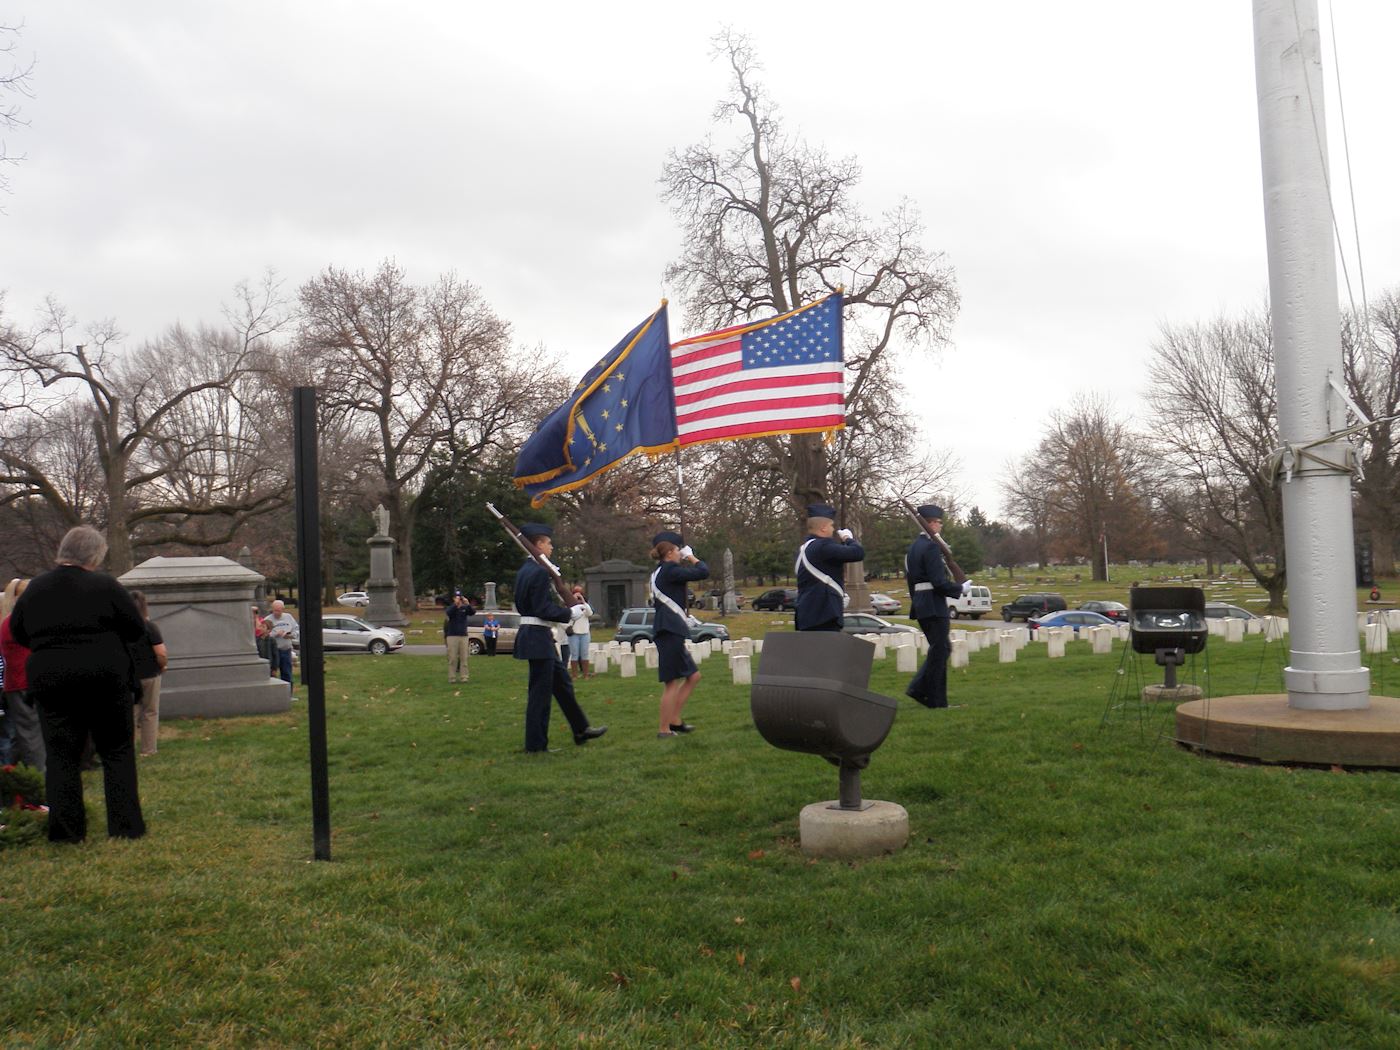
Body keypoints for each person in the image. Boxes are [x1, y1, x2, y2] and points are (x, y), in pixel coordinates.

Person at [10, 525, 147, 842]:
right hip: (104, 676)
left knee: (61, 756)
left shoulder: (36, 589)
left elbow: (18, 631)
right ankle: (125, 826)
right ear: (95, 556)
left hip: (52, 677)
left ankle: (67, 831)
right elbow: (135, 628)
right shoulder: (106, 586)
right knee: (116, 751)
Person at [512, 523, 606, 753]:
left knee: (563, 685)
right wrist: (569, 613)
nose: (551, 546)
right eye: (548, 542)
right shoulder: (538, 572)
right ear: (538, 544)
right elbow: (542, 608)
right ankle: (535, 746)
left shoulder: (526, 570)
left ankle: (581, 729)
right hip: (537, 637)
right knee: (540, 695)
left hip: (537, 637)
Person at [904, 504, 967, 709]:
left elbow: (912, 581)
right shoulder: (931, 547)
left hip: (922, 605)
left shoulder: (914, 547)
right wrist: (959, 589)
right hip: (933, 604)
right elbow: (938, 582)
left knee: (940, 649)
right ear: (931, 523)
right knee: (940, 650)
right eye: (939, 522)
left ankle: (933, 699)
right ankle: (919, 690)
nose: (941, 525)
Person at [650, 530, 709, 738]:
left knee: (693, 676)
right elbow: (703, 571)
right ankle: (664, 729)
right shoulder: (670, 571)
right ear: (669, 554)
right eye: (678, 550)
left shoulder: (661, 571)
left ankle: (674, 721)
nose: (680, 554)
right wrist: (692, 557)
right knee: (671, 682)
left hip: (670, 627)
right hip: (669, 629)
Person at [794, 503, 865, 632]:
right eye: (831, 525)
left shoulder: (803, 549)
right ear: (823, 528)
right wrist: (848, 539)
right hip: (825, 614)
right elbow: (858, 553)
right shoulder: (823, 546)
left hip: (805, 614)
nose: (833, 529)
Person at [127, 589, 168, 757]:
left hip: (129, 676)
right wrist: (162, 666)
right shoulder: (149, 627)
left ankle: (126, 750)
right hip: (150, 674)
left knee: (131, 713)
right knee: (150, 712)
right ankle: (148, 749)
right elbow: (161, 653)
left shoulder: (121, 628)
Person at [264, 599, 299, 689]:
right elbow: (264, 635)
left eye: (279, 610)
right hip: (273, 651)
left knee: (287, 673)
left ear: (283, 609)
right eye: (275, 610)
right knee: (272, 673)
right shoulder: (268, 620)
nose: (276, 612)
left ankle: (288, 694)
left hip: (285, 650)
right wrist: (275, 634)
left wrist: (288, 635)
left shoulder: (288, 617)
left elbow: (296, 632)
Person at [444, 591, 474, 683]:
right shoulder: (451, 608)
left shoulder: (464, 609)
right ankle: (452, 677)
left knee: (464, 658)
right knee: (452, 658)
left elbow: (472, 612)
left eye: (459, 598)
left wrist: (467, 604)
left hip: (463, 636)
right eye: (456, 597)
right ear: (453, 598)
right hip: (452, 636)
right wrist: (455, 605)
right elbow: (448, 613)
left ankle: (464, 677)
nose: (458, 600)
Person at [567, 585, 593, 678]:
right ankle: (574, 675)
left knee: (584, 654)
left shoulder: (584, 606)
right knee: (574, 654)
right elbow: (568, 614)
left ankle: (585, 674)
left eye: (580, 594)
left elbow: (590, 613)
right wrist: (573, 601)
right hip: (574, 633)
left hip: (585, 633)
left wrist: (583, 601)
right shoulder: (570, 606)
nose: (578, 596)